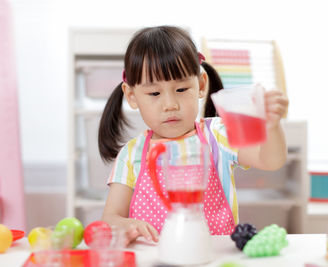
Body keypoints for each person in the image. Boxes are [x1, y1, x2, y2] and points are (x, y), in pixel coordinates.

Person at [98, 25, 289, 244]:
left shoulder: (218, 134)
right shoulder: (131, 154)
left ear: (200, 85)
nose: (170, 105)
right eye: (154, 93)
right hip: (153, 258)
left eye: (181, 89)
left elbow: (271, 161)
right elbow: (110, 219)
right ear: (131, 95)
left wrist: (273, 126)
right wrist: (125, 224)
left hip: (214, 257)